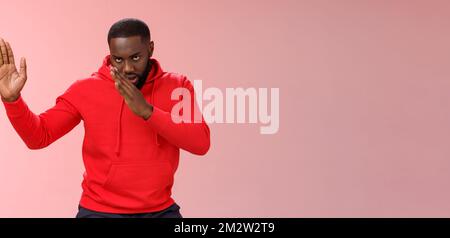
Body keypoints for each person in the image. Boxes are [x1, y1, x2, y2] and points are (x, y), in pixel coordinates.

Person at [0, 18, 210, 218]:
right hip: (99, 210)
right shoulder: (86, 89)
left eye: (136, 57)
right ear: (110, 54)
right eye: (118, 59)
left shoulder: (177, 85)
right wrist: (13, 100)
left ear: (151, 49)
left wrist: (148, 111)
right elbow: (39, 136)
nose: (127, 68)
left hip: (161, 209)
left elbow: (200, 143)